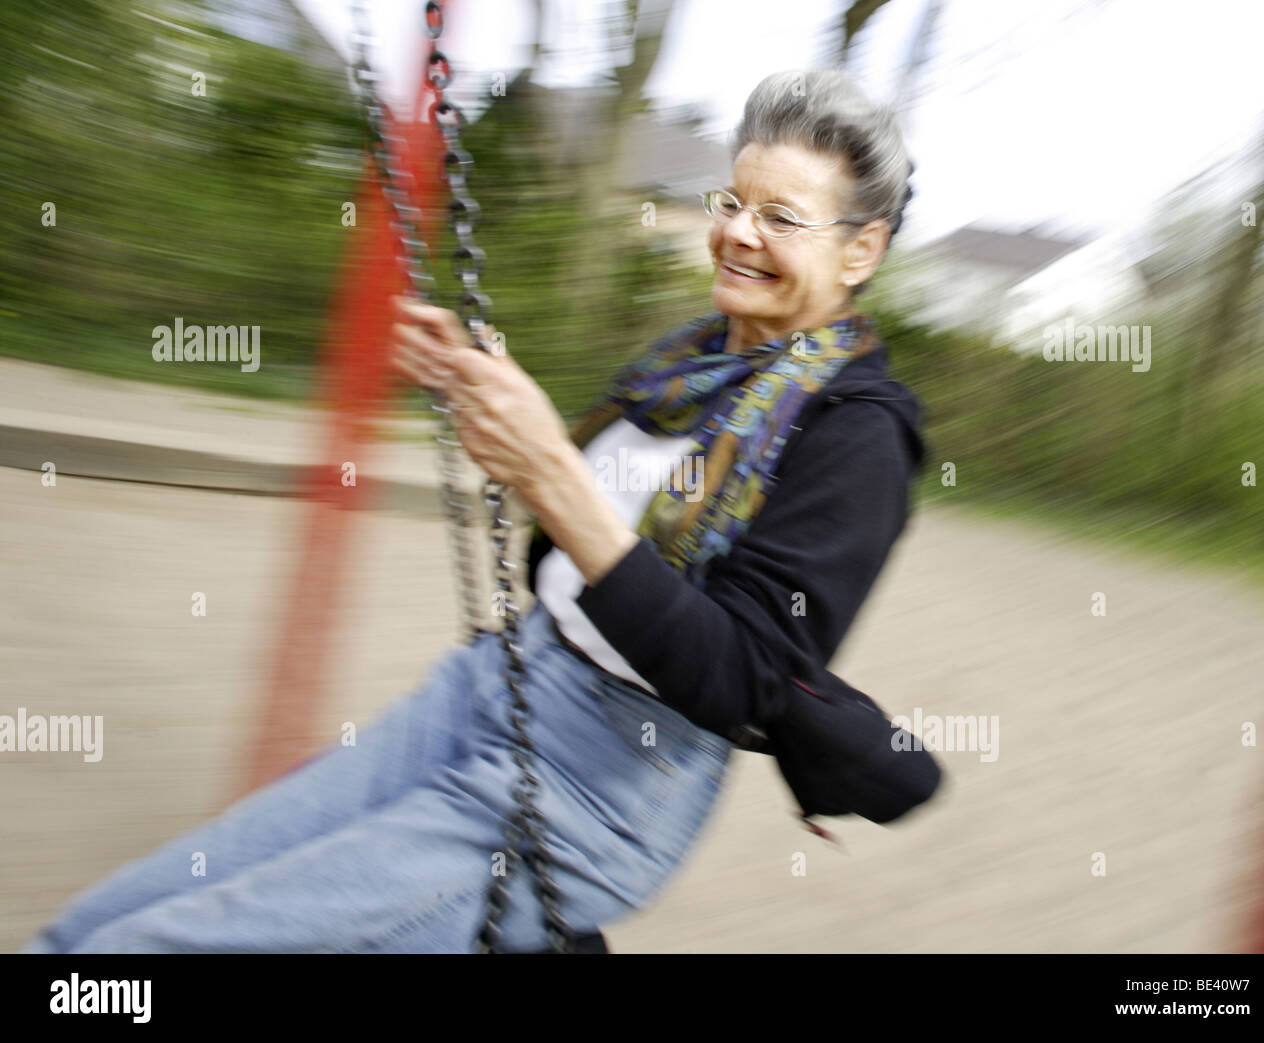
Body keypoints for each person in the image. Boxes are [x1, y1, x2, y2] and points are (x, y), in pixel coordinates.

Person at [22, 68, 927, 954]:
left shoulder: (858, 435)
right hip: (496, 683)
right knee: (99, 925)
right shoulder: (691, 362)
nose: (739, 235)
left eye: (781, 218)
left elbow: (745, 677)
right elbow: (598, 531)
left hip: (601, 783)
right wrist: (484, 393)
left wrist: (547, 473)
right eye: (732, 202)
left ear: (861, 249)